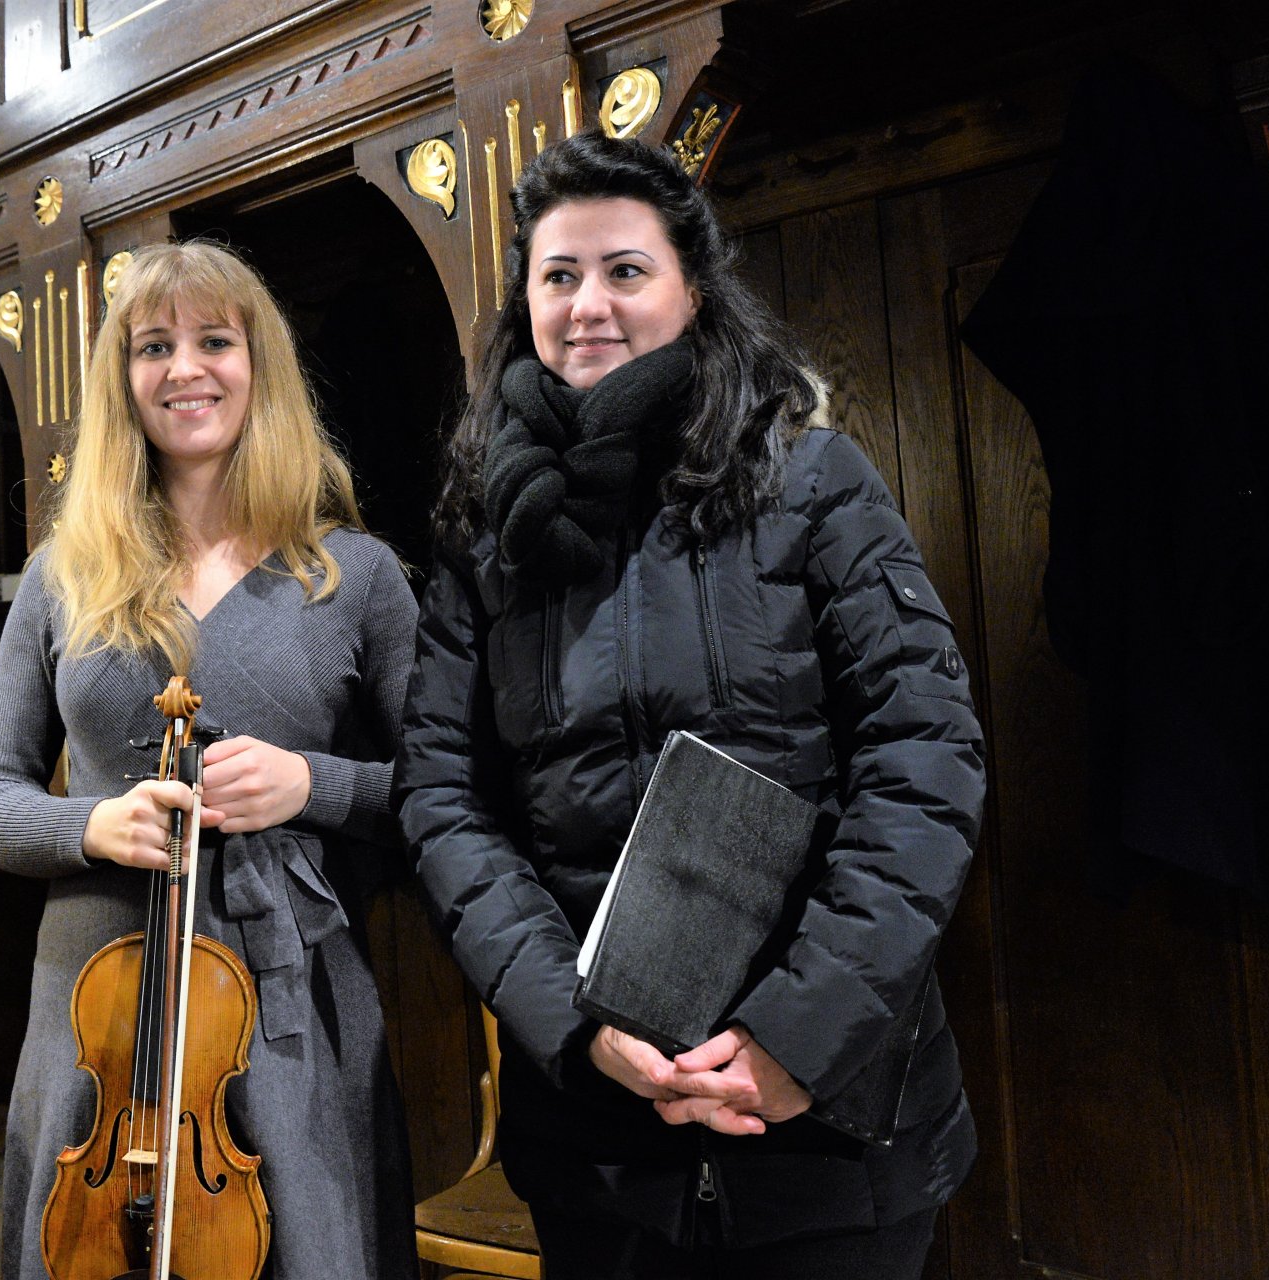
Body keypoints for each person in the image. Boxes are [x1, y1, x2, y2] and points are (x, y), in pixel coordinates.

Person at [395, 131, 986, 1278]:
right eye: (558, 275)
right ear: (525, 303)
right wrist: (576, 1022)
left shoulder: (812, 479)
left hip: (828, 1132)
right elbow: (443, 798)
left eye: (626, 269)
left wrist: (799, 1033)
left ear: (694, 291)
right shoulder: (485, 539)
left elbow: (925, 757)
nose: (588, 304)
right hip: (600, 1147)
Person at [0, 241, 419, 1280]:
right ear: (122, 380)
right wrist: (90, 823)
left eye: (215, 340)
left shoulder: (356, 574)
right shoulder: (62, 576)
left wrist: (311, 784)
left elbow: (441, 795)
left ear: (260, 366)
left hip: (288, 999)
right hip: (99, 1009)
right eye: (153, 347)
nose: (185, 369)